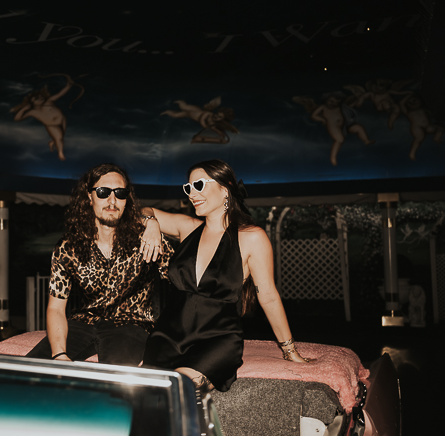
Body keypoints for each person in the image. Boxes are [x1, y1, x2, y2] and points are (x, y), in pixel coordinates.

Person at [141, 159, 308, 394]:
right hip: (168, 336)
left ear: (224, 188)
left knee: (177, 390)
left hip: (216, 339)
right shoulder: (186, 227)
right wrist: (151, 224)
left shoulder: (251, 237)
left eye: (199, 185)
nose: (192, 193)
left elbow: (268, 297)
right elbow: (140, 210)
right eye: (188, 188)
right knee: (143, 392)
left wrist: (290, 350)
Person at [26, 163, 173, 365]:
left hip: (131, 324)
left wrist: (166, 341)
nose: (112, 201)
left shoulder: (147, 239)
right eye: (103, 192)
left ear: (126, 199)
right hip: (84, 321)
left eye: (120, 193)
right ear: (89, 196)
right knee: (29, 371)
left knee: (120, 384)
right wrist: (59, 354)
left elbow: (184, 287)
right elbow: (56, 308)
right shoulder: (70, 246)